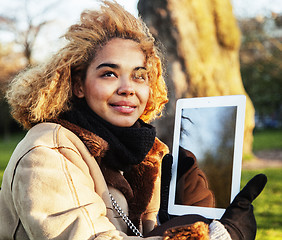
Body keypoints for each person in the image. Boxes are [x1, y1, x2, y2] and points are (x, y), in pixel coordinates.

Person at [0, 1, 266, 239]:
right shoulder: (48, 150)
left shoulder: (143, 157)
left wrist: (187, 217)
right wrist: (220, 236)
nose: (128, 88)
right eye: (109, 74)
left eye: (139, 75)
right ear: (78, 84)